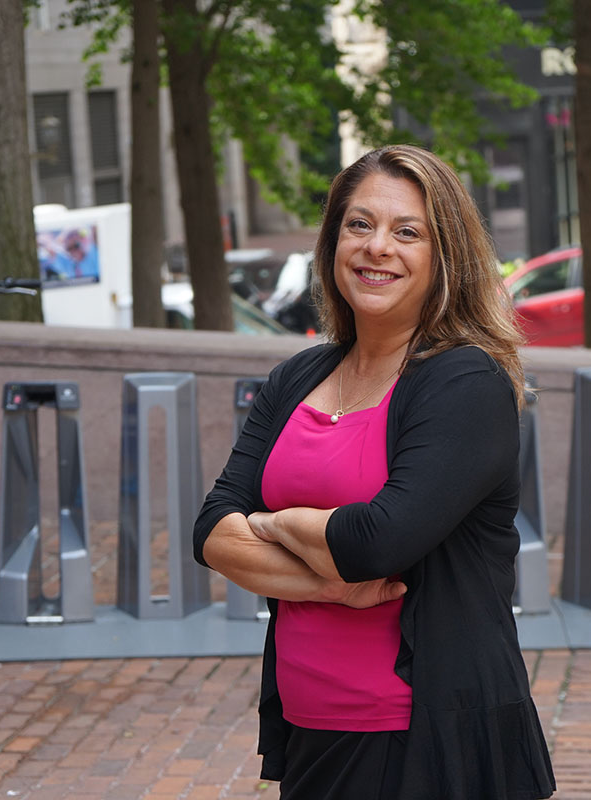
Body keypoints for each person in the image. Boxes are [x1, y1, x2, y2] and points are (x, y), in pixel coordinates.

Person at [193, 144, 555, 800]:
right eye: (359, 225)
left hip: (425, 738)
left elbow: (375, 542)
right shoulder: (298, 376)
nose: (376, 247)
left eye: (407, 231)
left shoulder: (464, 381)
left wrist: (271, 523)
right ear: (332, 241)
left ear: (444, 258)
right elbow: (212, 531)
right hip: (310, 725)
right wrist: (330, 586)